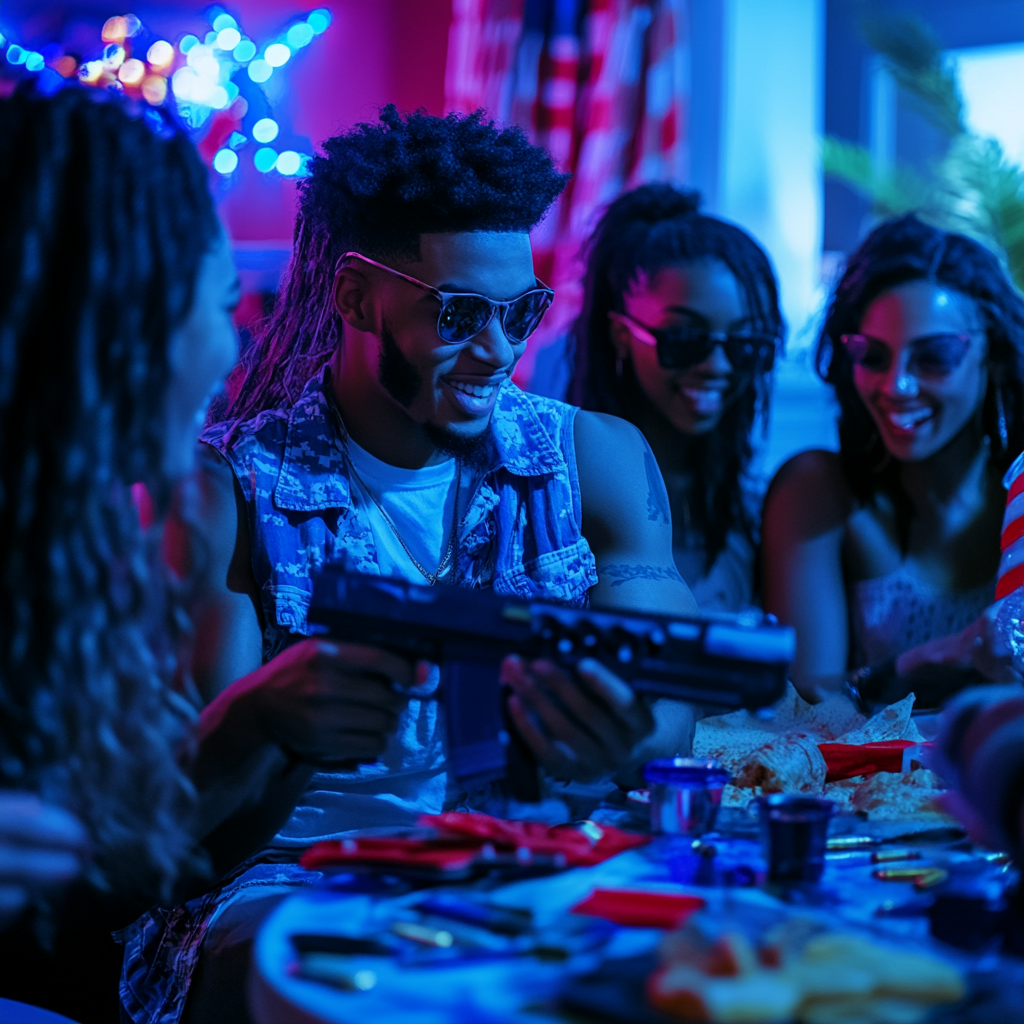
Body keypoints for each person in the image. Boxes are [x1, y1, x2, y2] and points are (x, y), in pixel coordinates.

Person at [123, 106, 699, 1023]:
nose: (501, 351)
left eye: (522, 312)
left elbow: (673, 707)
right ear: (357, 299)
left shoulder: (595, 459)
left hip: (530, 867)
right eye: (461, 314)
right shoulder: (227, 489)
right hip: (290, 883)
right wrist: (271, 721)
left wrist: (628, 732)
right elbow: (180, 835)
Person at [0, 86, 398, 1023]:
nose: (234, 347)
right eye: (222, 304)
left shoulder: (78, 539)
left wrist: (267, 725)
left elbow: (113, 884)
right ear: (117, 318)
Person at [763, 215, 1024, 702]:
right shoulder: (820, 491)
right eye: (873, 356)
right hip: (861, 780)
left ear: (994, 355)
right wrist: (928, 660)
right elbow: (803, 708)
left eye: (934, 357)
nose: (897, 386)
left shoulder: (1019, 496)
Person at [569, 184, 782, 611]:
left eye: (746, 344)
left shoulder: (756, 513)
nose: (717, 366)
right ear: (620, 335)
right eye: (685, 339)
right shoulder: (561, 495)